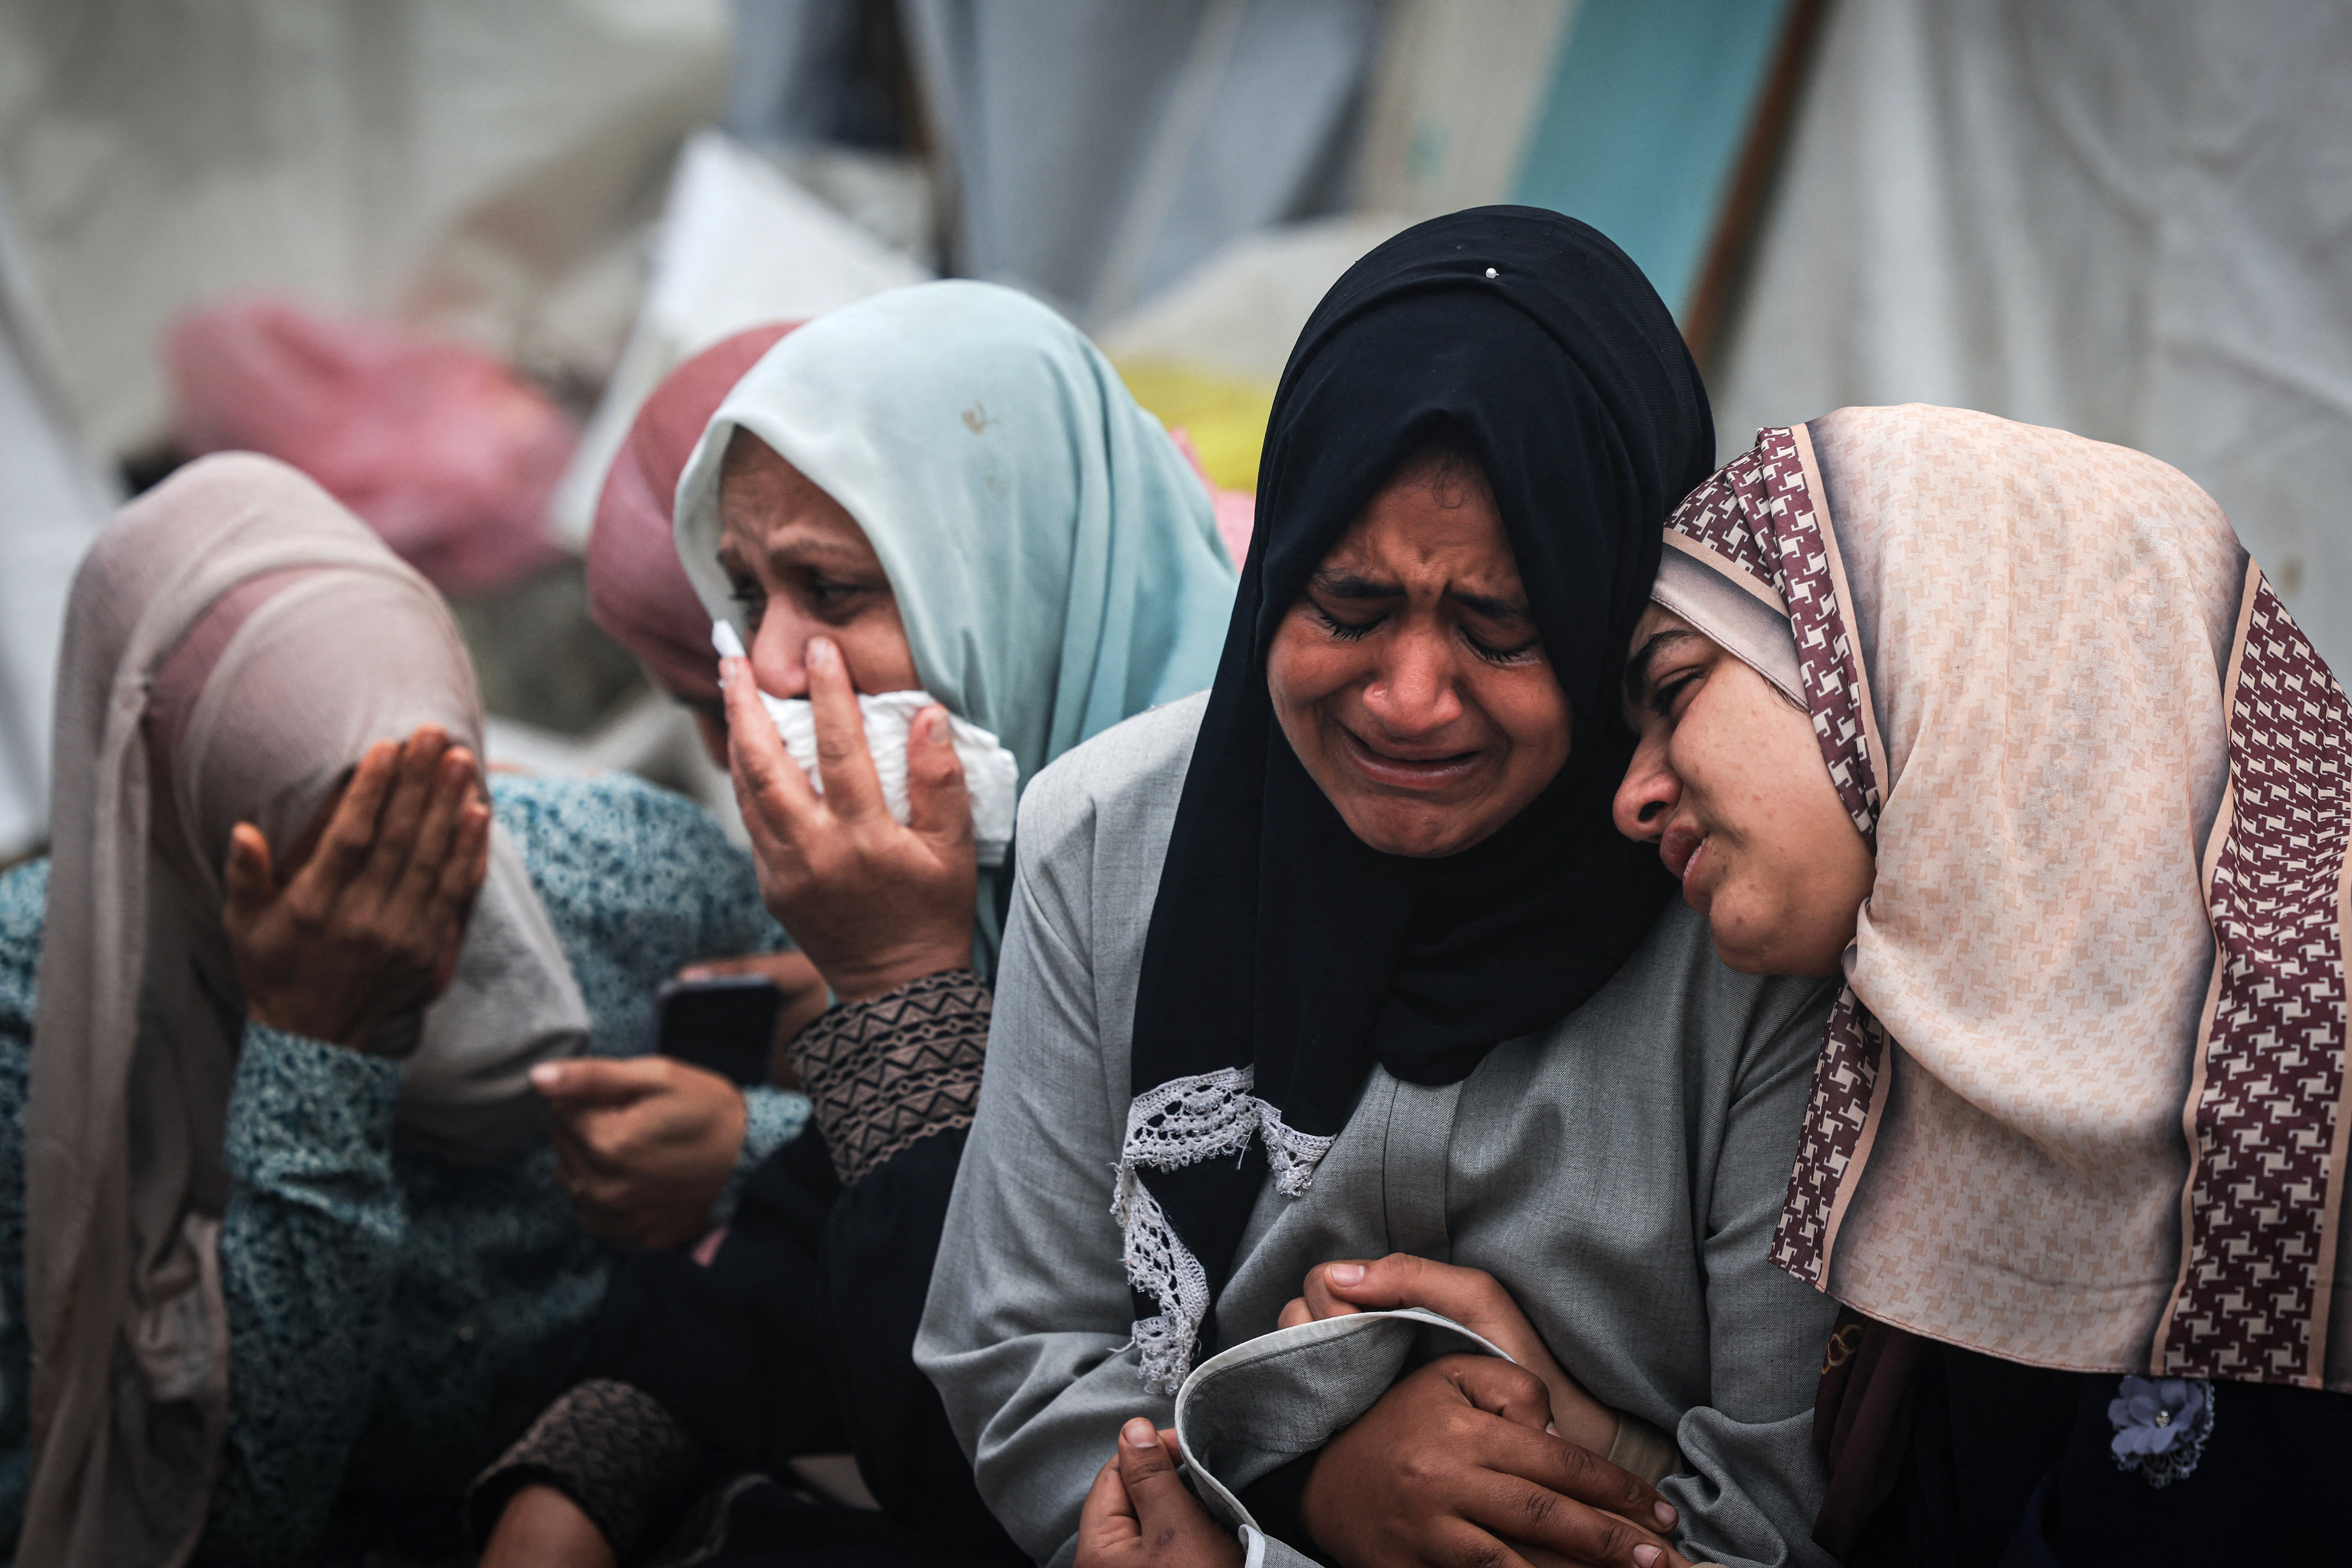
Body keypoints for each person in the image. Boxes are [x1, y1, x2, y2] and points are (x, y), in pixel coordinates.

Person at [916, 207, 1844, 1568]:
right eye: (1345, 608)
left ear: (1604, 618)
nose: (1408, 700)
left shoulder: (1740, 921)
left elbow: (1775, 1514)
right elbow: (1021, 1353)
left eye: (1500, 627)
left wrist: (1576, 1465)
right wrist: (1295, 1504)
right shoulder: (1110, 841)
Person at [471, 279, 1239, 1565]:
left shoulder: (1230, 909)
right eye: (744, 599)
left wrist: (897, 985)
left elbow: (983, 1452)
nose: (765, 670)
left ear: (1008, 590)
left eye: (829, 592)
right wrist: (574, 1478)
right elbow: (793, 1253)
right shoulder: (988, 872)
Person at [0, 452, 796, 1567]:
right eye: (336, 852)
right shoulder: (43, 1040)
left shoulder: (627, 879)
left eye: (451, 810)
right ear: (176, 820)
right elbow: (192, 1521)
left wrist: (744, 1148)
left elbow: (902, 1178)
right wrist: (316, 1057)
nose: (412, 907)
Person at [1608, 404, 2352, 1562]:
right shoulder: (1942, 1077)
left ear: (1925, 649)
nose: (1635, 796)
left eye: (1675, 689)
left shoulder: (2301, 1082)